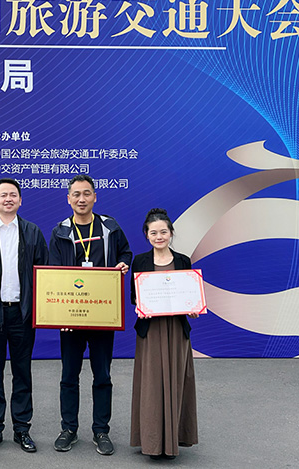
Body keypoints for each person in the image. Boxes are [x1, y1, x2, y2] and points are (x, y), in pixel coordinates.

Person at [49, 174, 132, 456]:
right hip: (71, 317)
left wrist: (123, 264)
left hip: (101, 314)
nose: (81, 199)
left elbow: (126, 253)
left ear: (95, 197)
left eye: (87, 193)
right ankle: (68, 429)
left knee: (103, 375)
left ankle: (101, 431)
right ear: (68, 199)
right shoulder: (60, 231)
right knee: (68, 376)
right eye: (76, 194)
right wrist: (60, 316)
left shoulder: (110, 227)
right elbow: (53, 274)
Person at [0, 178, 49, 454]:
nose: (8, 199)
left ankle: (22, 429)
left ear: (20, 200)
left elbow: (44, 272)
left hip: (22, 314)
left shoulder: (32, 231)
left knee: (22, 373)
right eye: (3, 195)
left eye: (13, 195)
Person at [129, 208, 198, 460]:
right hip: (151, 330)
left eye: (163, 232)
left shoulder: (183, 261)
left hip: (176, 330)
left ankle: (173, 440)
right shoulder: (140, 261)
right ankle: (151, 441)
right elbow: (134, 296)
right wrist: (140, 307)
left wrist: (193, 308)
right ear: (147, 235)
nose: (159, 237)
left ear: (171, 233)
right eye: (153, 233)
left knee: (177, 381)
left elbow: (190, 293)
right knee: (151, 385)